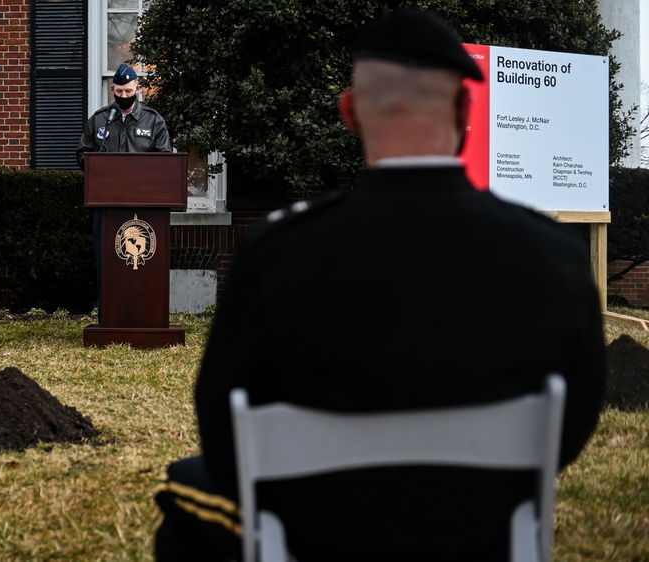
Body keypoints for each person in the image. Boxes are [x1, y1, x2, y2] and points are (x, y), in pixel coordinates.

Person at [153, 9, 606, 562]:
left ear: (349, 114)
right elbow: (574, 420)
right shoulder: (553, 253)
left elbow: (223, 428)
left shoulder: (276, 252)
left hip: (316, 534)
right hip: (479, 529)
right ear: (465, 110)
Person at [76, 63, 172, 317]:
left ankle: (145, 314)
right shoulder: (99, 120)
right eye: (119, 91)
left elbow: (165, 161)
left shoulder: (153, 121)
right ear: (112, 89)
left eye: (129, 91)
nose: (124, 97)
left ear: (138, 89)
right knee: (108, 261)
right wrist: (100, 166)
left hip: (145, 208)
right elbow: (82, 154)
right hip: (107, 207)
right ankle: (109, 315)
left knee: (144, 263)